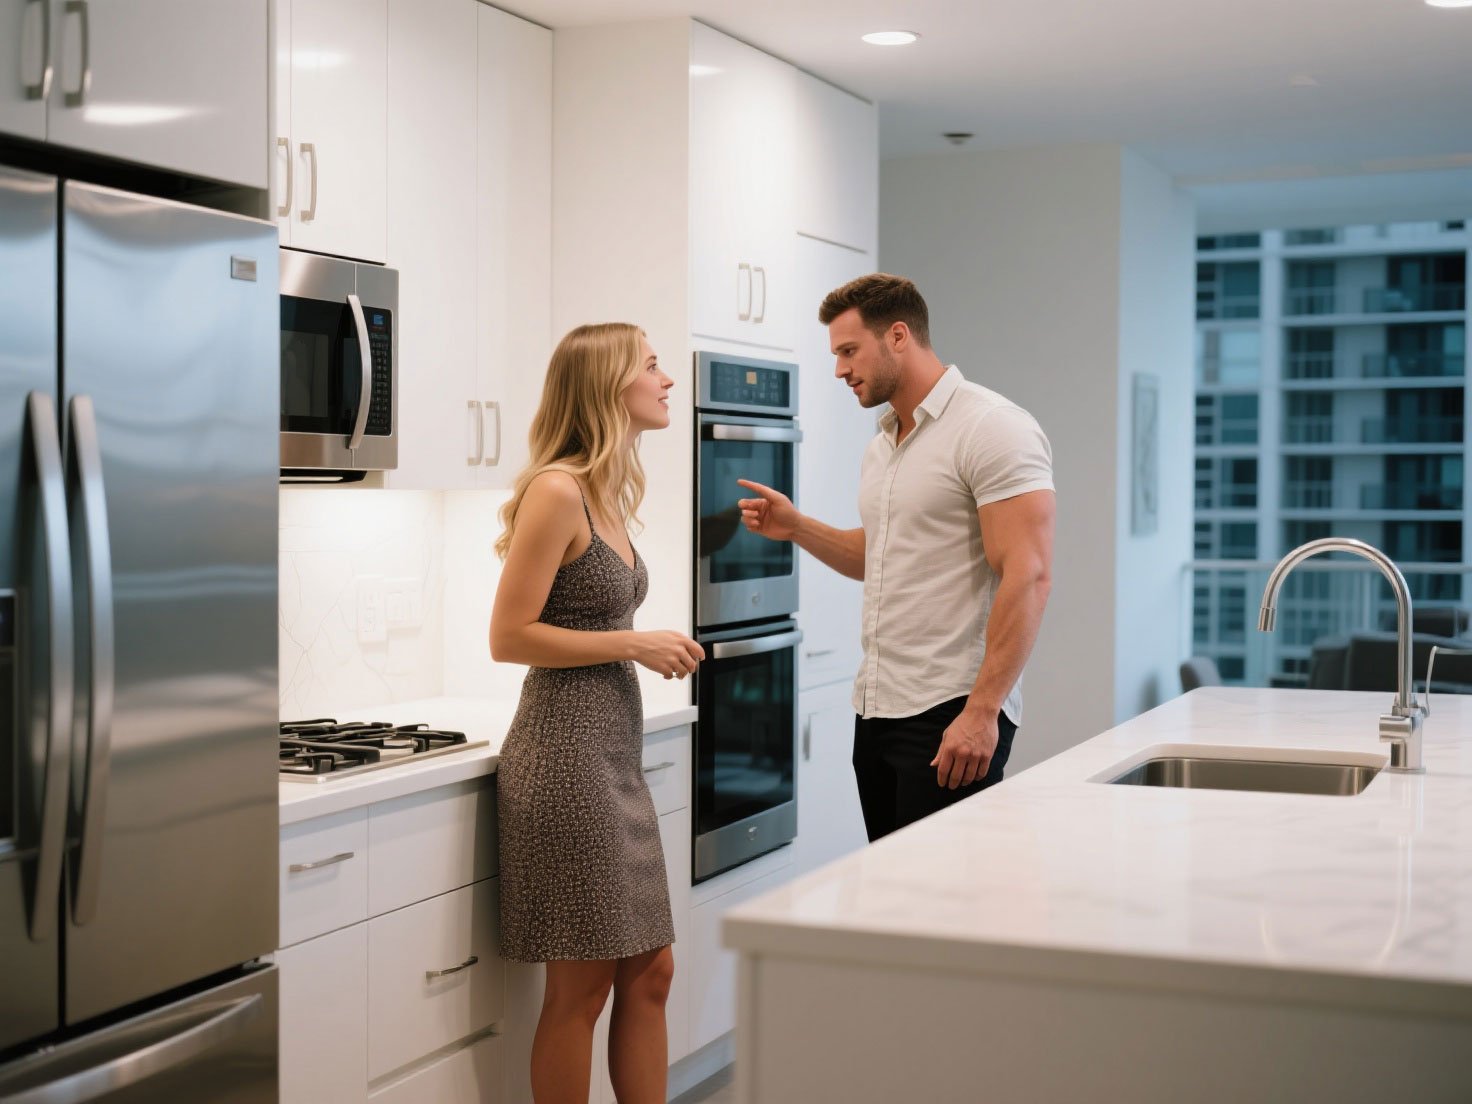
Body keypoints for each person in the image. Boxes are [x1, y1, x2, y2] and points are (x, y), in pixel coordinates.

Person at [738, 274, 1055, 842]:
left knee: (943, 910)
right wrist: (796, 527)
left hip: (951, 712)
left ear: (899, 336)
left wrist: (983, 713)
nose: (840, 369)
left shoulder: (991, 427)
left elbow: (1027, 575)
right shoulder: (883, 445)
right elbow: (879, 556)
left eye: (848, 351)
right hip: (878, 710)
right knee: (893, 908)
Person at [490, 323, 704, 1104]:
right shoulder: (558, 489)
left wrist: (636, 645)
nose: (667, 379)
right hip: (565, 761)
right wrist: (634, 642)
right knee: (580, 991)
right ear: (610, 386)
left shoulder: (606, 490)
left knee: (651, 972)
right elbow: (507, 635)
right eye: (651, 366)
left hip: (612, 758)